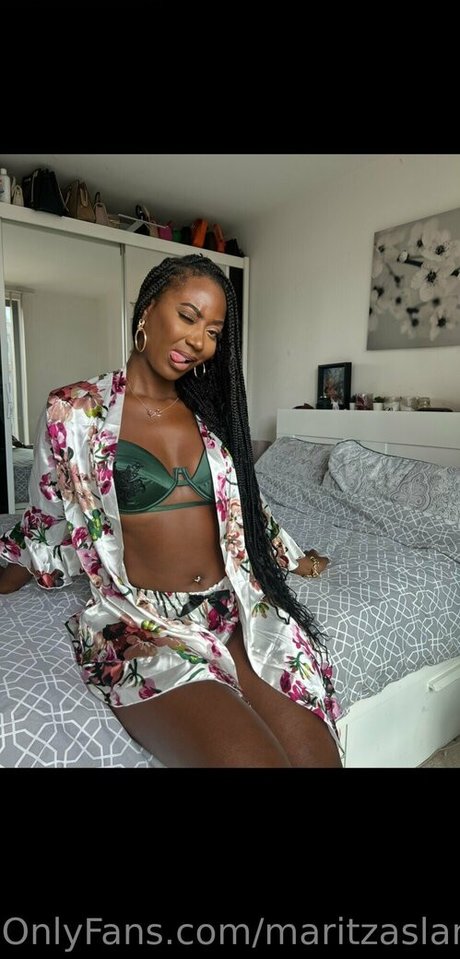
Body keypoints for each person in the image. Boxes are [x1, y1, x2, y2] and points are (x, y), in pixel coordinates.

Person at [0, 254, 341, 768]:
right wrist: (10, 574)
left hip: (234, 609)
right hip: (144, 624)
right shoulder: (74, 412)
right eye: (188, 316)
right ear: (147, 309)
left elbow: (245, 506)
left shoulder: (212, 414)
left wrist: (291, 558)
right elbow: (48, 515)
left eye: (213, 331)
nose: (199, 340)